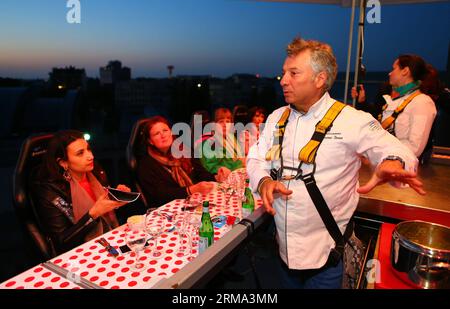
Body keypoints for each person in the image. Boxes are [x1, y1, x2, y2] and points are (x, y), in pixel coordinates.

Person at [247, 37, 425, 289]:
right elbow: (255, 157)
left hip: (326, 262)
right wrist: (264, 180)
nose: (284, 80)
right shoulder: (277, 117)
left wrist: (392, 162)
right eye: (283, 73)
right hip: (282, 256)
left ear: (320, 79)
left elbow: (396, 150)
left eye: (293, 73)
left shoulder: (351, 120)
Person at [32, 130, 130, 254]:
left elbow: (108, 219)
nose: (91, 156)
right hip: (80, 254)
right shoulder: (49, 192)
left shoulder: (95, 172)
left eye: (88, 149)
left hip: (109, 240)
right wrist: (92, 215)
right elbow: (62, 242)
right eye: (80, 153)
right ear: (63, 162)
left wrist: (118, 198)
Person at [137, 116, 230, 209]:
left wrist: (216, 176)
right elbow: (160, 195)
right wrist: (190, 190)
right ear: (150, 141)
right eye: (157, 133)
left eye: (165, 130)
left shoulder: (184, 150)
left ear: (171, 132)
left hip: (195, 202)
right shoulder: (145, 165)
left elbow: (200, 173)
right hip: (169, 211)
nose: (163, 135)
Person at [197, 107, 245, 174]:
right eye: (221, 122)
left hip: (237, 172)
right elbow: (212, 167)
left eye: (228, 121)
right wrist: (240, 163)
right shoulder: (209, 142)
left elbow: (239, 156)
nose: (225, 125)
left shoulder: (230, 137)